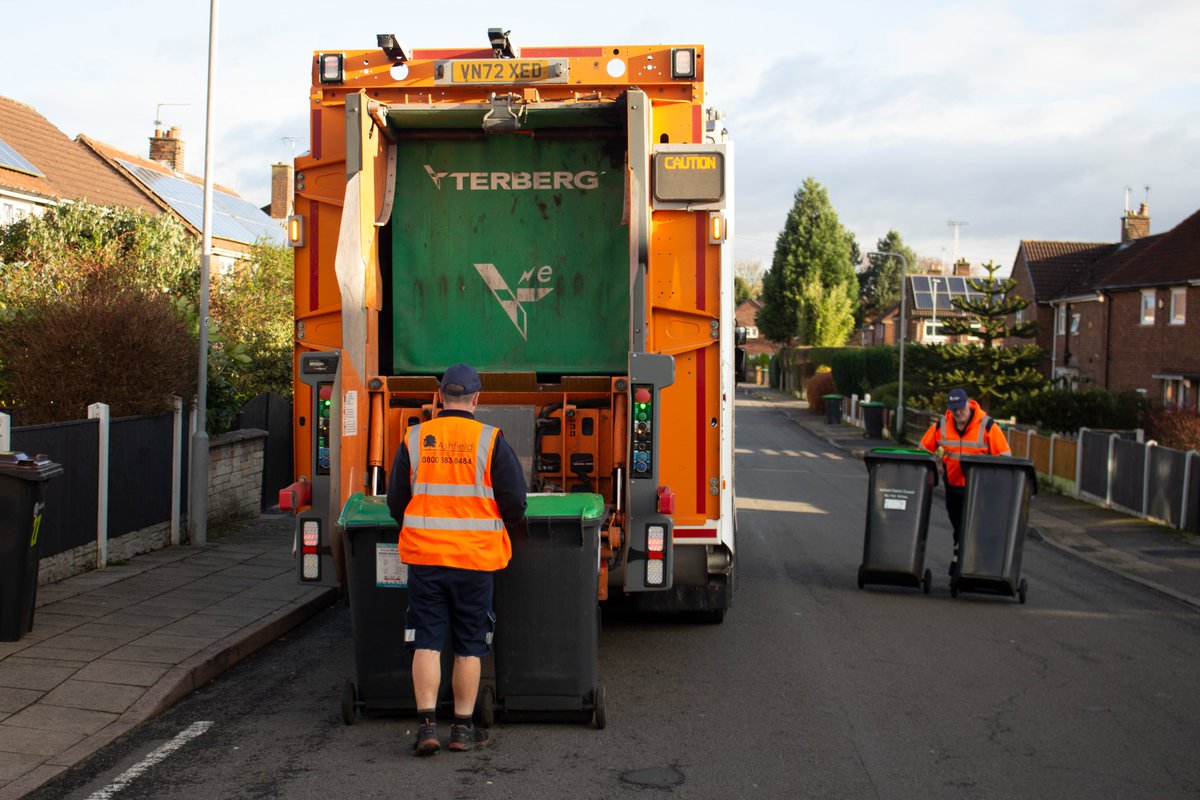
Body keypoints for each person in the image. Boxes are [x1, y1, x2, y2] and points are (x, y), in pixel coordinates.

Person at [386, 363, 527, 756]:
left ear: (440, 397)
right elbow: (514, 502)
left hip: (426, 559)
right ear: (476, 399)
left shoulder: (415, 438)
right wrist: (507, 520)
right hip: (475, 560)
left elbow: (397, 500)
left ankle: (426, 725)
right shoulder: (490, 439)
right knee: (469, 644)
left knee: (427, 640)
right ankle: (462, 729)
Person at [919, 387, 1011, 573]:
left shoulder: (987, 426)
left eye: (961, 408)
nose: (958, 412)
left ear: (969, 404)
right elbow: (923, 450)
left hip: (980, 488)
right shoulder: (942, 425)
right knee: (957, 522)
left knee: (973, 525)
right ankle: (960, 555)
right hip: (953, 486)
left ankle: (967, 560)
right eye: (954, 409)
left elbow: (1005, 456)